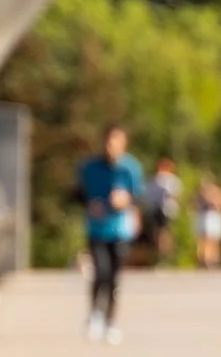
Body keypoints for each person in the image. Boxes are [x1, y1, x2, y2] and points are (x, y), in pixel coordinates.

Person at [76, 123, 142, 342]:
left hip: (120, 229)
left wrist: (126, 201)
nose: (111, 146)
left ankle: (110, 320)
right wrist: (90, 203)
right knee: (100, 271)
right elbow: (77, 193)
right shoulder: (89, 167)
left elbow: (137, 196)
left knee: (114, 277)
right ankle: (95, 313)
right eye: (108, 141)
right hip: (97, 228)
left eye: (116, 142)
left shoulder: (130, 168)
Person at [143, 155, 181, 265]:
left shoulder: (167, 180)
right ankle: (161, 256)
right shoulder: (158, 179)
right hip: (160, 210)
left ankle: (164, 256)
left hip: (164, 210)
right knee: (160, 233)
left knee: (163, 233)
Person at [193, 176, 221, 267]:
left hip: (214, 216)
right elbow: (193, 204)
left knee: (215, 238)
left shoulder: (218, 192)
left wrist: (217, 205)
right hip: (203, 215)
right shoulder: (199, 194)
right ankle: (204, 258)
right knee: (204, 238)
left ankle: (214, 258)